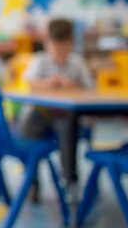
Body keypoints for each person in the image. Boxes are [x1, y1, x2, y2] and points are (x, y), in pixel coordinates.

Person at [18, 18, 93, 201]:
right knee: (26, 130)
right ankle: (32, 181)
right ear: (47, 44)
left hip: (66, 115)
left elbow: (90, 89)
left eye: (64, 46)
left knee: (68, 131)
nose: (59, 50)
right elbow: (29, 82)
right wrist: (47, 83)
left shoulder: (77, 63)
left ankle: (70, 180)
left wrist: (72, 87)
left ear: (71, 44)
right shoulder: (40, 60)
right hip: (42, 113)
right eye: (55, 45)